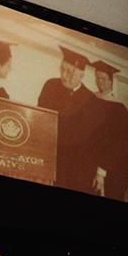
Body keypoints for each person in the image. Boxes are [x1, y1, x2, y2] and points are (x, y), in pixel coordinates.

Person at [38, 46, 106, 196]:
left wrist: (100, 172)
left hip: (79, 166)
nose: (63, 75)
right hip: (53, 158)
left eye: (69, 71)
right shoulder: (50, 86)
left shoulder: (91, 100)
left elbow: (99, 138)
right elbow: (40, 119)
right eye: (62, 69)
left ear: (81, 74)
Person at [90, 60, 128, 201]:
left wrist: (103, 169)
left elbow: (123, 142)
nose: (100, 82)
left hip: (111, 167)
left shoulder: (118, 109)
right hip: (91, 159)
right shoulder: (90, 100)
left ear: (111, 81)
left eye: (104, 78)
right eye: (97, 77)